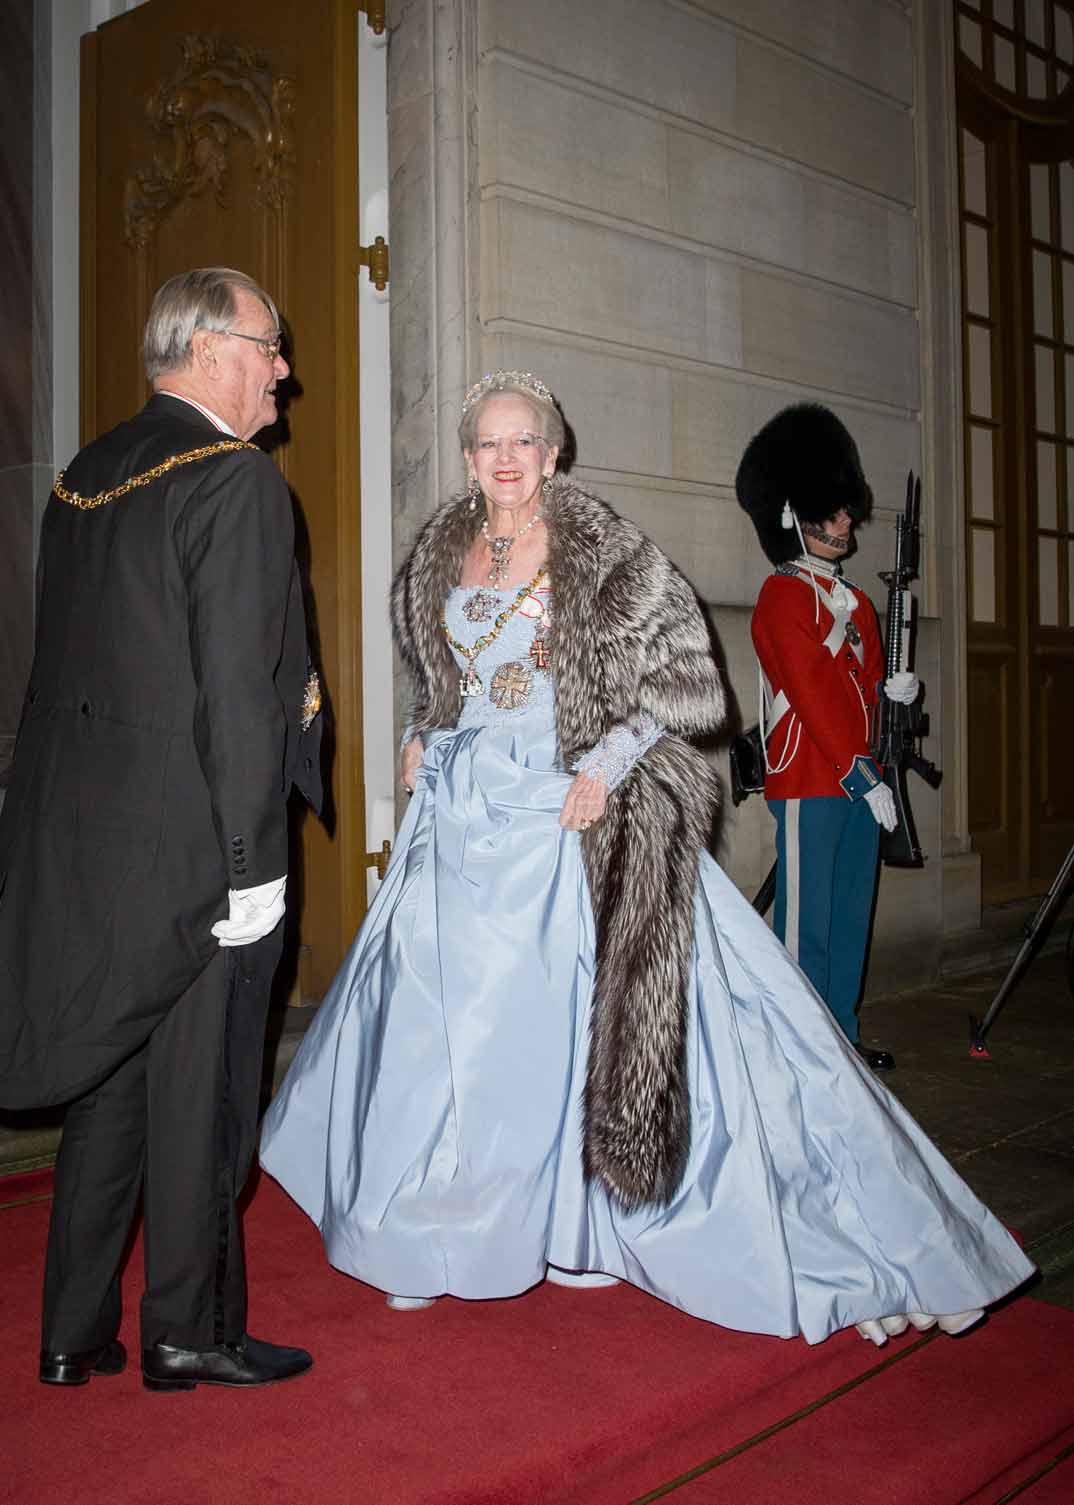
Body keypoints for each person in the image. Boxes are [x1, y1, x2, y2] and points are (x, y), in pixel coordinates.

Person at [261, 371, 1032, 1347]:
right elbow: (445, 671)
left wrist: (610, 765)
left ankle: (583, 1225)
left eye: (522, 441)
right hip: (460, 815)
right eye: (488, 444)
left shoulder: (597, 550)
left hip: (562, 811)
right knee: (446, 1024)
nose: (505, 459)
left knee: (571, 1021)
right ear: (469, 460)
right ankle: (431, 1224)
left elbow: (681, 680)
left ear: (553, 452)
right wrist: (424, 727)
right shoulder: (446, 549)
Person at [0, 268, 322, 1390]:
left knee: (111, 1082)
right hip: (195, 853)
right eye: (271, 345)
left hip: (90, 847)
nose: (285, 369)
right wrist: (251, 871)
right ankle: (191, 1327)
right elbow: (237, 695)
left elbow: (63, 677)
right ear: (208, 349)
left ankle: (71, 1329)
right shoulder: (232, 481)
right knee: (201, 1091)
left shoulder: (84, 474)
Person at [737, 403, 913, 1072]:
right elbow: (810, 693)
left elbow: (858, 687)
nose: (846, 521)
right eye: (830, 509)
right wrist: (861, 776)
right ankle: (795, 1044)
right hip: (816, 779)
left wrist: (890, 692)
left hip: (860, 778)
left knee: (848, 918)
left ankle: (839, 1033)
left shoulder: (859, 603)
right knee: (805, 926)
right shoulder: (783, 598)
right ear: (793, 512)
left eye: (844, 508)